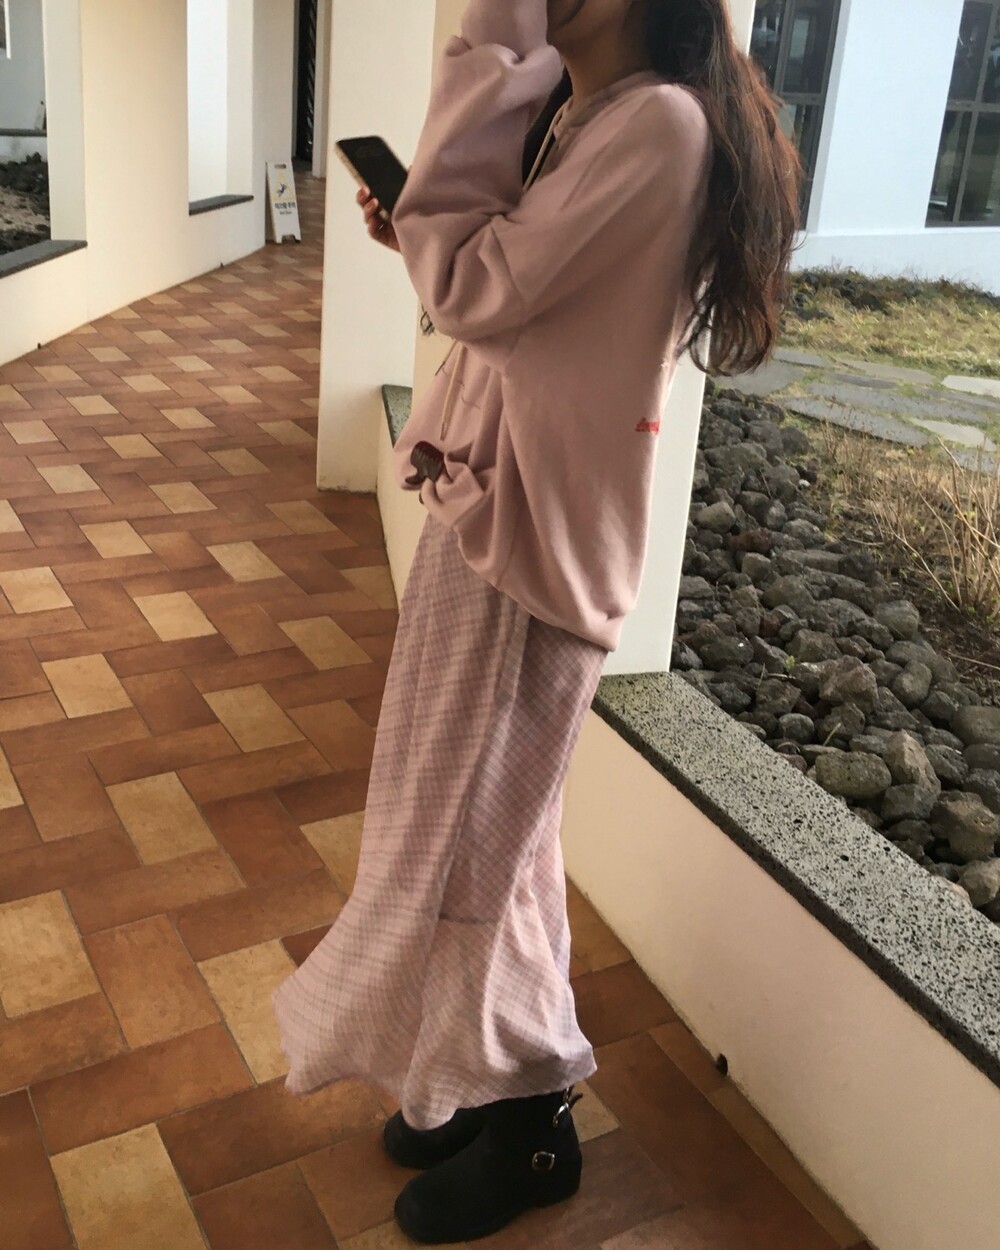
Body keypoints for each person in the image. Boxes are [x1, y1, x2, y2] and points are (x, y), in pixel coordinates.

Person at [272, 0, 801, 1243]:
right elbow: (498, 294)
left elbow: (474, 293)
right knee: (483, 836)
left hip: (534, 553)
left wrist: (483, 67)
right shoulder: (597, 115)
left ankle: (535, 1119)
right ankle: (484, 1075)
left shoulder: (657, 126)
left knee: (474, 851)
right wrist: (426, 226)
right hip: (496, 522)